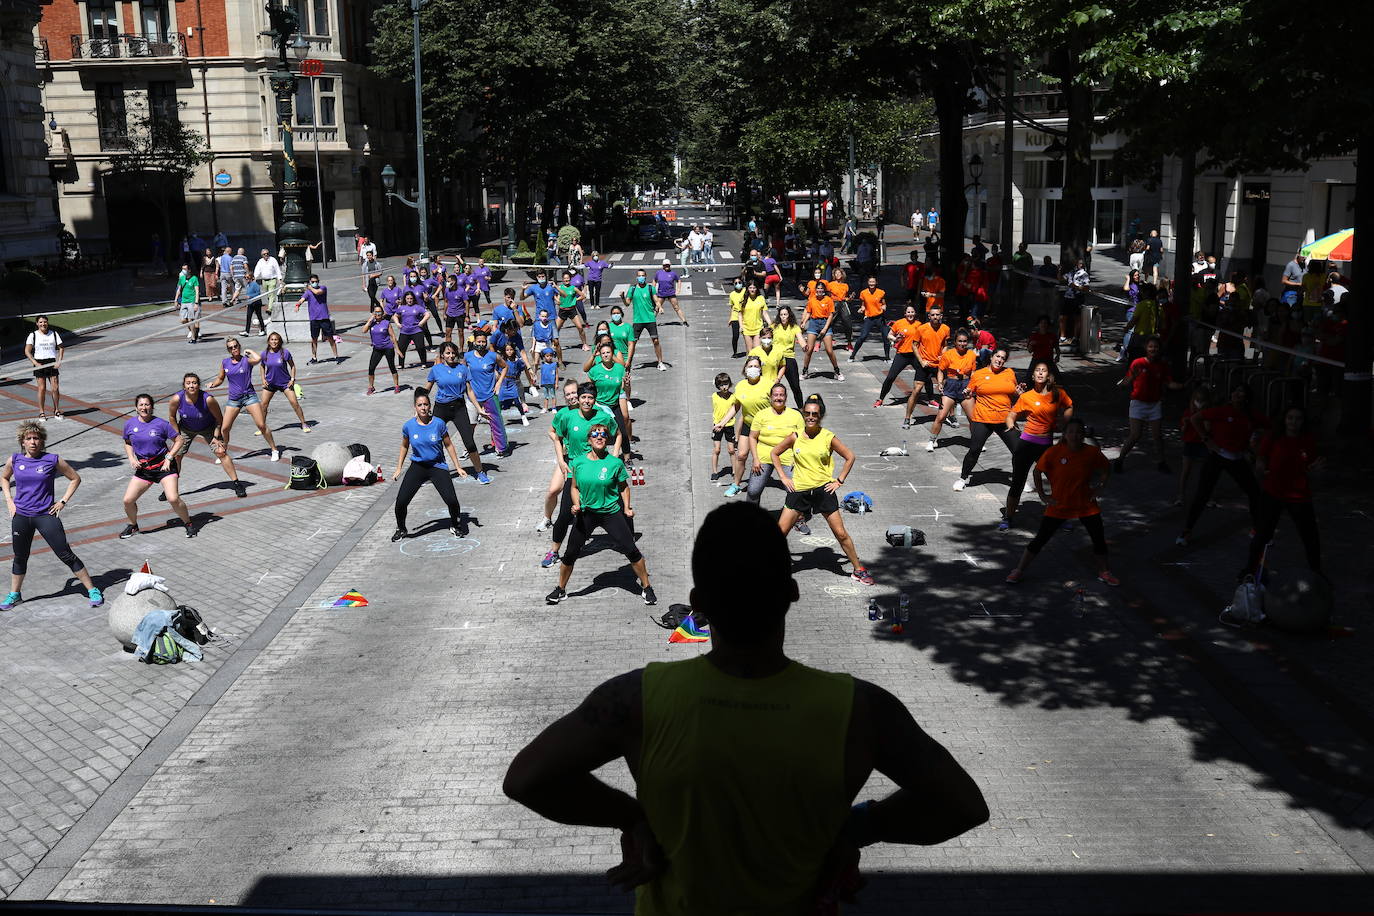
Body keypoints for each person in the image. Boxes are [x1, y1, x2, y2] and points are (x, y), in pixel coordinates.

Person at [504, 501, 989, 911]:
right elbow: (961, 804)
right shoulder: (861, 710)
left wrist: (633, 818)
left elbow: (529, 778)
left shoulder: (635, 699)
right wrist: (855, 828)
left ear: (698, 604)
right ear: (792, 592)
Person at [544, 420, 656, 606]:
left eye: (603, 435)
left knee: (631, 551)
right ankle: (560, 590)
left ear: (607, 440)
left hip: (611, 513)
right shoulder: (578, 463)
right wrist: (576, 504)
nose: (599, 437)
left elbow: (624, 487)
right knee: (570, 553)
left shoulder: (614, 463)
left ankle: (646, 587)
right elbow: (574, 487)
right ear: (589, 440)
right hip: (586, 514)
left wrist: (627, 507)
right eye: (595, 434)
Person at [2, 420, 105, 611]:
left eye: (36, 438)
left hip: (46, 515)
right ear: (22, 442)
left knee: (65, 553)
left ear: (42, 441)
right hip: (22, 516)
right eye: (29, 438)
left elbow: (75, 478)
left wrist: (62, 501)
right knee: (20, 557)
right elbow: (4, 477)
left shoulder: (52, 459)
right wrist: (9, 500)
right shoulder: (15, 460)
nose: (33, 442)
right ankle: (15, 594)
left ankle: (92, 589)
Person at [1004, 418, 1118, 586]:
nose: (1075, 435)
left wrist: (1100, 487)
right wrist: (1043, 496)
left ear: (1083, 434)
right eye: (1071, 432)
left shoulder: (1092, 452)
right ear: (1064, 435)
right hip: (1059, 505)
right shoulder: (1053, 452)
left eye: (1079, 432)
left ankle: (1105, 572)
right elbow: (1037, 472)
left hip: (1085, 505)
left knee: (1098, 539)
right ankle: (1018, 570)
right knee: (1040, 539)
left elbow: (1106, 468)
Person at [772, 394, 872, 583]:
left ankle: (858, 569)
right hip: (799, 492)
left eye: (815, 414)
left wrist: (839, 481)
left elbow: (850, 456)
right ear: (803, 414)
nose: (811, 417)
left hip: (823, 491)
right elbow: (774, 453)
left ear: (820, 416)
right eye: (807, 413)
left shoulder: (828, 437)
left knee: (841, 534)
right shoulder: (795, 437)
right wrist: (783, 477)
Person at [1176, 383, 1266, 548]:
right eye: (1236, 391)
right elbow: (1196, 418)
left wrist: (1259, 451)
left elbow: (1269, 428)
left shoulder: (1252, 416)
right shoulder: (1221, 410)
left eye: (1242, 392)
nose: (1238, 394)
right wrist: (1206, 440)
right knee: (1202, 495)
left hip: (1237, 459)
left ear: (1247, 398)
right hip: (1218, 456)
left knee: (1254, 492)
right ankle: (1187, 530)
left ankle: (1258, 529)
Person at [542, 382, 621, 567]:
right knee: (564, 514)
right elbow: (557, 437)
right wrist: (561, 460)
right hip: (575, 472)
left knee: (616, 507)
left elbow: (617, 434)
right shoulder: (566, 416)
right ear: (578, 397)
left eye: (590, 398)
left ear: (595, 400)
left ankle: (627, 544)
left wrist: (615, 455)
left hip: (599, 470)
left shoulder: (602, 416)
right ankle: (554, 551)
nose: (586, 401)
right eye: (583, 397)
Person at [1243, 405, 1322, 580]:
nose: (1294, 422)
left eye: (1298, 418)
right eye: (1290, 418)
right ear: (1285, 420)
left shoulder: (1307, 440)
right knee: (1262, 534)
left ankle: (1317, 572)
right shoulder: (1274, 436)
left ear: (1303, 421)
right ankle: (1249, 570)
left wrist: (1315, 469)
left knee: (1310, 536)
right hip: (1274, 491)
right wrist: (1261, 466)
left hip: (1299, 495)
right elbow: (1261, 457)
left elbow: (1312, 465)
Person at [1001, 360, 1073, 531]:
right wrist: (1010, 424)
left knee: (1057, 480)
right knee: (1018, 482)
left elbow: (1070, 406)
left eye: (1044, 370)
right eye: (1037, 371)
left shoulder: (1058, 393)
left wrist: (1065, 423)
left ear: (1048, 376)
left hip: (1046, 444)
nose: (1040, 373)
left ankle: (1062, 517)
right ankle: (1008, 517)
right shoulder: (1026, 397)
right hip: (1026, 443)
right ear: (1033, 376)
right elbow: (1011, 414)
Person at [391, 390, 469, 541]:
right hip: (418, 467)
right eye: (420, 405)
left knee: (452, 500)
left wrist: (458, 467)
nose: (423, 408)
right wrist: (399, 468)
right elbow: (404, 446)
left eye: (426, 404)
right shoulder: (408, 426)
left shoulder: (438, 424)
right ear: (415, 407)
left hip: (437, 466)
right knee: (401, 502)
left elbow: (449, 445)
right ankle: (401, 529)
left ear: (430, 406)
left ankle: (456, 525)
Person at [119, 394, 194, 539]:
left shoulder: (161, 424)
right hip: (144, 469)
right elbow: (127, 442)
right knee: (128, 500)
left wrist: (169, 457)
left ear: (152, 407)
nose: (144, 407)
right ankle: (133, 525)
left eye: (147, 405)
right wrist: (131, 458)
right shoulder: (129, 424)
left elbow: (179, 440)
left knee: (173, 498)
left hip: (164, 466)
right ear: (136, 407)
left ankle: (188, 523)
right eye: (141, 405)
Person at [954, 347, 1021, 492]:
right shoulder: (978, 374)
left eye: (1003, 358)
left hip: (1005, 419)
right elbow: (970, 393)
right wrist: (967, 394)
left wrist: (1018, 393)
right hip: (983, 419)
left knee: (1019, 450)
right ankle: (963, 478)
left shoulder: (1009, 373)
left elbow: (1014, 392)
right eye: (997, 356)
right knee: (975, 449)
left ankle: (1018, 481)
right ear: (991, 357)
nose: (1000, 360)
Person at [1114, 335, 1184, 473]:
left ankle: (1161, 462)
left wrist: (1182, 386)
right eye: (1151, 346)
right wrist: (1125, 382)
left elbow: (1169, 383)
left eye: (1156, 347)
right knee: (1135, 435)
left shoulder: (1162, 365)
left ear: (1159, 349)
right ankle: (1120, 459)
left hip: (1154, 404)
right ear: (1146, 348)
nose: (1153, 349)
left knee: (1157, 436)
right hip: (1138, 403)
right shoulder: (1138, 363)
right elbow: (1127, 380)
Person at [207, 337, 279, 463]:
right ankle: (224, 451)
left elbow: (258, 359)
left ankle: (274, 449)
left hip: (249, 397)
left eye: (235, 346)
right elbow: (220, 378)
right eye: (231, 347)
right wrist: (213, 384)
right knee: (225, 428)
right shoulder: (225, 362)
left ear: (239, 346)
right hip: (234, 399)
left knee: (261, 425)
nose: (234, 349)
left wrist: (249, 350)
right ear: (228, 350)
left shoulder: (246, 361)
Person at [714, 355, 773, 498]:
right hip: (749, 425)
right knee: (741, 455)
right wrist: (722, 422)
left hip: (766, 427)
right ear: (745, 369)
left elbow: (777, 405)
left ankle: (791, 482)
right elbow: (736, 407)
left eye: (756, 366)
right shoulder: (740, 386)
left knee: (771, 458)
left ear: (761, 369)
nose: (753, 369)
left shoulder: (769, 384)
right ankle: (736, 485)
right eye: (750, 366)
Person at [744, 384, 805, 514]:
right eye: (776, 395)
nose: (778, 398)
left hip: (787, 457)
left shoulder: (796, 415)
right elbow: (753, 437)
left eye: (781, 395)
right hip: (764, 456)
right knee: (753, 490)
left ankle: (797, 518)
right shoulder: (761, 415)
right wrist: (755, 459)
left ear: (786, 397)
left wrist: (797, 459)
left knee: (795, 489)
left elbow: (802, 440)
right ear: (771, 397)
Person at [912, 327, 974, 437]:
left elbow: (973, 373)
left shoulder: (971, 355)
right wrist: (940, 383)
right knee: (941, 416)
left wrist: (972, 387)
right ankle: (932, 440)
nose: (962, 343)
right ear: (955, 342)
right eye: (960, 341)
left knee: (973, 418)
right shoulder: (948, 354)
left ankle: (977, 442)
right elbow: (940, 370)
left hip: (965, 386)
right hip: (951, 386)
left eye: (965, 341)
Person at [257, 332, 310, 442]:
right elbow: (262, 367)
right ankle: (262, 427)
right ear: (268, 341)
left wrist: (292, 379)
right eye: (272, 339)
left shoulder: (284, 353)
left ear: (279, 341)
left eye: (276, 339)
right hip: (270, 383)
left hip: (285, 383)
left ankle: (304, 424)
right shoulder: (264, 354)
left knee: (294, 403)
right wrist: (263, 379)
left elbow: (293, 366)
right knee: (263, 405)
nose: (274, 341)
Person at [874, 305, 923, 407]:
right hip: (902, 355)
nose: (910, 314)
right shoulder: (899, 323)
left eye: (912, 312)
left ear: (915, 313)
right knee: (891, 377)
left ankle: (931, 399)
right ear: (905, 314)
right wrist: (895, 339)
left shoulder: (919, 325)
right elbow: (889, 335)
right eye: (908, 312)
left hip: (915, 355)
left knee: (925, 376)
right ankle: (880, 399)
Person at [800, 281, 844, 381]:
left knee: (829, 350)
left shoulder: (828, 300)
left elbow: (830, 315)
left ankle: (837, 371)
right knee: (809, 349)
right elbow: (808, 312)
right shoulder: (812, 300)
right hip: (813, 323)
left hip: (825, 323)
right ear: (815, 290)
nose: (819, 290)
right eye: (818, 289)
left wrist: (824, 329)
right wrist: (804, 322)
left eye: (821, 289)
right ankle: (805, 371)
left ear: (824, 290)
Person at [624, 269, 667, 372]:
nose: (641, 277)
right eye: (639, 275)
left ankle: (660, 363)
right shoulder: (632, 289)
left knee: (656, 341)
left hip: (650, 319)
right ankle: (628, 363)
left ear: (646, 277)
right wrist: (622, 297)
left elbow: (656, 300)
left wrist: (660, 307)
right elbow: (627, 303)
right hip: (638, 320)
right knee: (633, 343)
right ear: (636, 277)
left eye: (643, 275)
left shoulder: (650, 288)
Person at [24, 316, 64, 420]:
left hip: (51, 362)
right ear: (37, 323)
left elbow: (61, 348)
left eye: (45, 322)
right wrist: (35, 362)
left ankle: (57, 410)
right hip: (39, 363)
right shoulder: (33, 335)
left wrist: (59, 361)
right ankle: (42, 412)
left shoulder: (54, 334)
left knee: (55, 388)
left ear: (47, 323)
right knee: (42, 389)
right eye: (41, 322)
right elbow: (27, 351)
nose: (43, 324)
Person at [293, 275, 339, 363]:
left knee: (330, 337)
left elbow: (317, 292)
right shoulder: (308, 292)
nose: (314, 283)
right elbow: (302, 299)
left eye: (316, 281)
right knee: (314, 338)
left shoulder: (323, 288)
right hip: (314, 318)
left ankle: (336, 355)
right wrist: (297, 305)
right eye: (312, 282)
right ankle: (314, 357)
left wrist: (310, 287)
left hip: (324, 317)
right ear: (310, 281)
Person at [360, 303, 401, 395]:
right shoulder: (372, 323)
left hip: (388, 348)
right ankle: (371, 387)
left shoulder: (386, 323)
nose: (377, 314)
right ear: (373, 313)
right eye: (376, 312)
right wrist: (369, 321)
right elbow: (363, 331)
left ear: (382, 313)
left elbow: (393, 336)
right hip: (377, 349)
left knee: (392, 367)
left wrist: (397, 349)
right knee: (371, 368)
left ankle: (397, 386)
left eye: (379, 312)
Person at [850, 275, 889, 362]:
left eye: (873, 282)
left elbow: (884, 303)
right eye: (870, 282)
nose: (871, 283)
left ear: (876, 283)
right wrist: (861, 309)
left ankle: (887, 357)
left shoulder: (881, 292)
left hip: (879, 317)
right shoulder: (863, 293)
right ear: (868, 283)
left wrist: (884, 307)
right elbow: (863, 305)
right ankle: (852, 356)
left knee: (886, 337)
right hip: (869, 318)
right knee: (862, 336)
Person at [772, 306, 805, 408]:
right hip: (776, 358)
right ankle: (770, 407)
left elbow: (800, 338)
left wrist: (804, 345)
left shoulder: (794, 327)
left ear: (789, 315)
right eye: (781, 315)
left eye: (785, 314)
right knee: (772, 384)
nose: (783, 317)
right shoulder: (774, 326)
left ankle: (801, 408)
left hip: (789, 358)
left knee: (795, 386)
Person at [394, 290, 431, 369]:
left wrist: (422, 322)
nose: (409, 300)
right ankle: (401, 364)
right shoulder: (402, 307)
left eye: (411, 298)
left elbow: (427, 314)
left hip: (416, 331)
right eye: (408, 299)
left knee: (420, 347)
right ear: (405, 299)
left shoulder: (418, 307)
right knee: (401, 348)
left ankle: (423, 363)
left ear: (413, 299)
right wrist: (397, 323)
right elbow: (395, 316)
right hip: (404, 331)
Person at [1060, 259, 1088, 345]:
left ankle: (1076, 337)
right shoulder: (1071, 272)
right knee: (1063, 317)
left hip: (1077, 298)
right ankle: (1062, 337)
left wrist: (1076, 287)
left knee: (1077, 318)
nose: (1080, 265)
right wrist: (1059, 271)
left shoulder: (1084, 274)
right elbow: (1061, 279)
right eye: (1079, 263)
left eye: (1081, 264)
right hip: (1068, 297)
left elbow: (1086, 288)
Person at [654, 258, 687, 326]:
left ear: (670, 265)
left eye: (668, 265)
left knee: (676, 307)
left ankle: (684, 321)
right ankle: (651, 322)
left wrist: (678, 289)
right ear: (663, 266)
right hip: (661, 293)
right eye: (665, 265)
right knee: (657, 308)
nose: (667, 266)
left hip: (671, 293)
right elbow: (654, 280)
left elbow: (678, 280)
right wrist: (653, 288)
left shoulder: (673, 273)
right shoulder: (658, 273)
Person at [739, 280, 769, 354]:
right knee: (749, 352)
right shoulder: (743, 299)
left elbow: (764, 313)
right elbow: (740, 314)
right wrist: (741, 326)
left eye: (754, 288)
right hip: (746, 329)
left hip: (758, 328)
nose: (752, 290)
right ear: (747, 289)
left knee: (757, 351)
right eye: (750, 288)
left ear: (757, 289)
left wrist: (770, 324)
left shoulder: (761, 298)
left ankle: (757, 364)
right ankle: (749, 365)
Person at [175, 266, 202, 344]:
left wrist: (196, 303)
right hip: (184, 301)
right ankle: (193, 330)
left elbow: (197, 291)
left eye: (185, 269)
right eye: (182, 269)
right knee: (183, 320)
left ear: (189, 270)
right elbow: (179, 289)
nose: (183, 271)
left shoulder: (194, 278)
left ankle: (193, 338)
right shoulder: (181, 278)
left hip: (191, 301)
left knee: (191, 320)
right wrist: (176, 300)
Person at [253, 248, 282, 318]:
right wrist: (254, 278)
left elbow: (277, 269)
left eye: (267, 253)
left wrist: (279, 278)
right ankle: (272, 304)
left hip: (272, 280)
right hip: (264, 281)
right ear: (262, 255)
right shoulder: (260, 261)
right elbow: (257, 270)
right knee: (268, 294)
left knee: (271, 294)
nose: (266, 255)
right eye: (264, 254)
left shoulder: (273, 260)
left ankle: (269, 309)